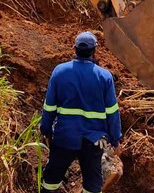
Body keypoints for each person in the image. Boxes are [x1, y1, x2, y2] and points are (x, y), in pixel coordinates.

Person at [40, 31, 122, 193]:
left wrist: (45, 130)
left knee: (51, 179)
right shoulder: (104, 76)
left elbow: (49, 107)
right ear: (95, 50)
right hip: (95, 140)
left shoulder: (59, 72)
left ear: (74, 48)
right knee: (92, 185)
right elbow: (112, 112)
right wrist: (116, 139)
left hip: (64, 136)